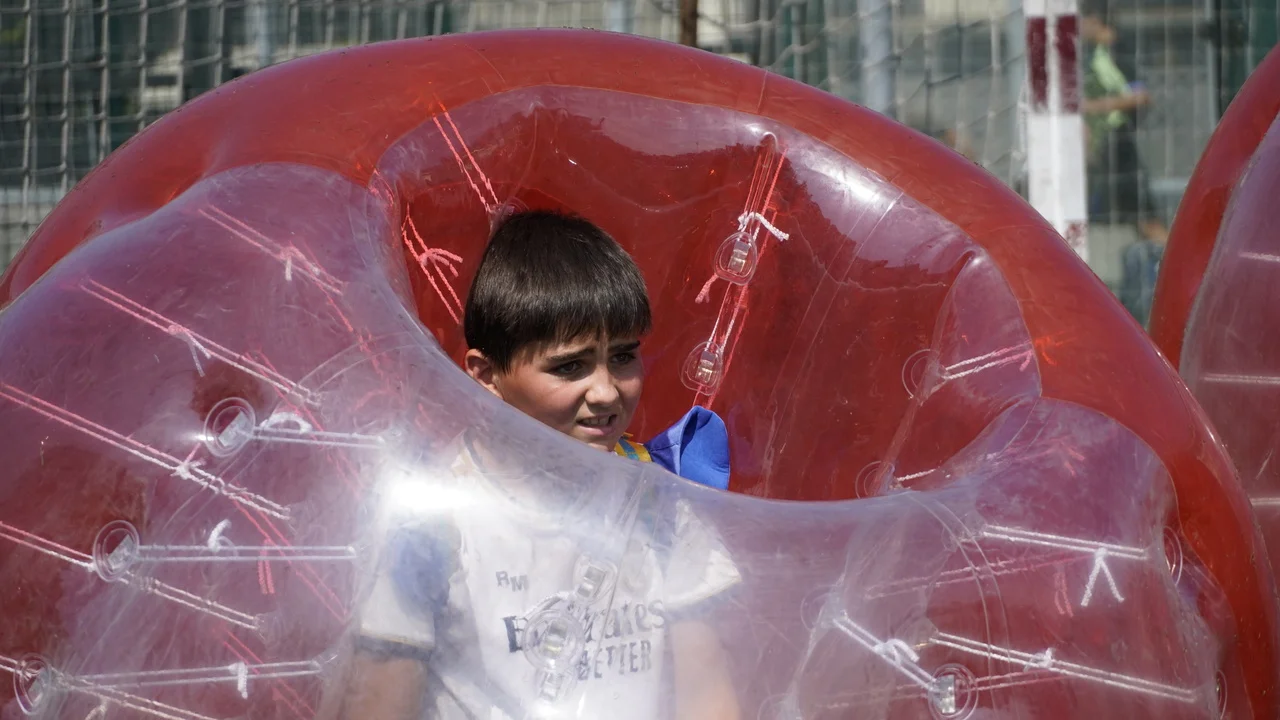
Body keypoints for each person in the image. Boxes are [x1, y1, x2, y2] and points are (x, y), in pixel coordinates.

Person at [324, 210, 742, 720]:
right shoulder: (435, 525)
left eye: (623, 356)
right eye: (570, 366)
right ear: (486, 374)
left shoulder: (661, 506)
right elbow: (380, 703)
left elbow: (707, 694)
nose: (606, 391)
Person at [1080, 0, 1167, 325]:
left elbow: (1140, 95)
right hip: (1106, 152)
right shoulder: (1096, 53)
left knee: (1148, 222)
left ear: (1095, 20)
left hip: (1121, 149)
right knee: (1133, 222)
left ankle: (1179, 274)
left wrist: (1091, 107)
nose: (1078, 30)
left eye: (1081, 21)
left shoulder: (1119, 51)